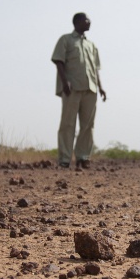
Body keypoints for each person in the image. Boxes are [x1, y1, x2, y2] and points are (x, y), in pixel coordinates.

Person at [51, 12, 106, 169]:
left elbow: (95, 69)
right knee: (68, 124)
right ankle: (65, 159)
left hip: (91, 89)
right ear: (77, 22)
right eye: (86, 19)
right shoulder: (66, 40)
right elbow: (58, 61)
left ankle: (83, 157)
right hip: (72, 88)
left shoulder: (92, 45)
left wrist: (100, 87)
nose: (89, 22)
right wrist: (64, 82)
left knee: (88, 125)